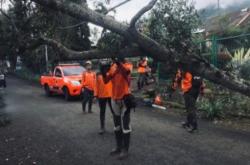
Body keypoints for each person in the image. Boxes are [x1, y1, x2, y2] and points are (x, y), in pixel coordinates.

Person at [104, 58, 133, 160]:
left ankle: (125, 150)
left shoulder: (128, 65)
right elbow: (106, 81)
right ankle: (118, 147)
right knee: (117, 125)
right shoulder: (113, 67)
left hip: (125, 99)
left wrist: (117, 62)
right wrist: (104, 71)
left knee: (125, 126)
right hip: (114, 99)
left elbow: (126, 72)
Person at [173, 64, 205, 133]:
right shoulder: (196, 69)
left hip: (188, 90)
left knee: (190, 108)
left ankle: (194, 126)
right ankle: (188, 122)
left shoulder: (184, 68)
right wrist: (202, 91)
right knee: (189, 107)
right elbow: (202, 82)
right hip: (196, 90)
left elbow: (178, 78)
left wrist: (174, 87)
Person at [95, 62, 114, 134]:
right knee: (102, 112)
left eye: (106, 66)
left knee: (114, 111)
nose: (105, 68)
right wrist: (95, 95)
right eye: (104, 66)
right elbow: (96, 85)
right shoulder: (98, 74)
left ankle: (117, 126)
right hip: (101, 96)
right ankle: (102, 127)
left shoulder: (111, 73)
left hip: (111, 95)